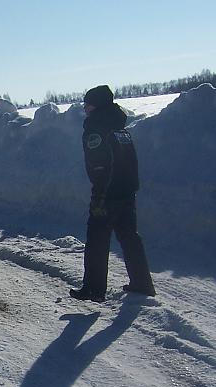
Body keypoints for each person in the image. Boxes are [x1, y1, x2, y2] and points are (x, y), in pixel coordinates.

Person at [70, 85, 155, 302]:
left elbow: (100, 165)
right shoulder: (119, 127)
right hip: (126, 191)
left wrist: (99, 195)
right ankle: (142, 283)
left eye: (87, 103)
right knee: (129, 237)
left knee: (97, 239)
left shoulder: (96, 128)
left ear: (96, 105)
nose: (85, 108)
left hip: (107, 193)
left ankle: (93, 288)